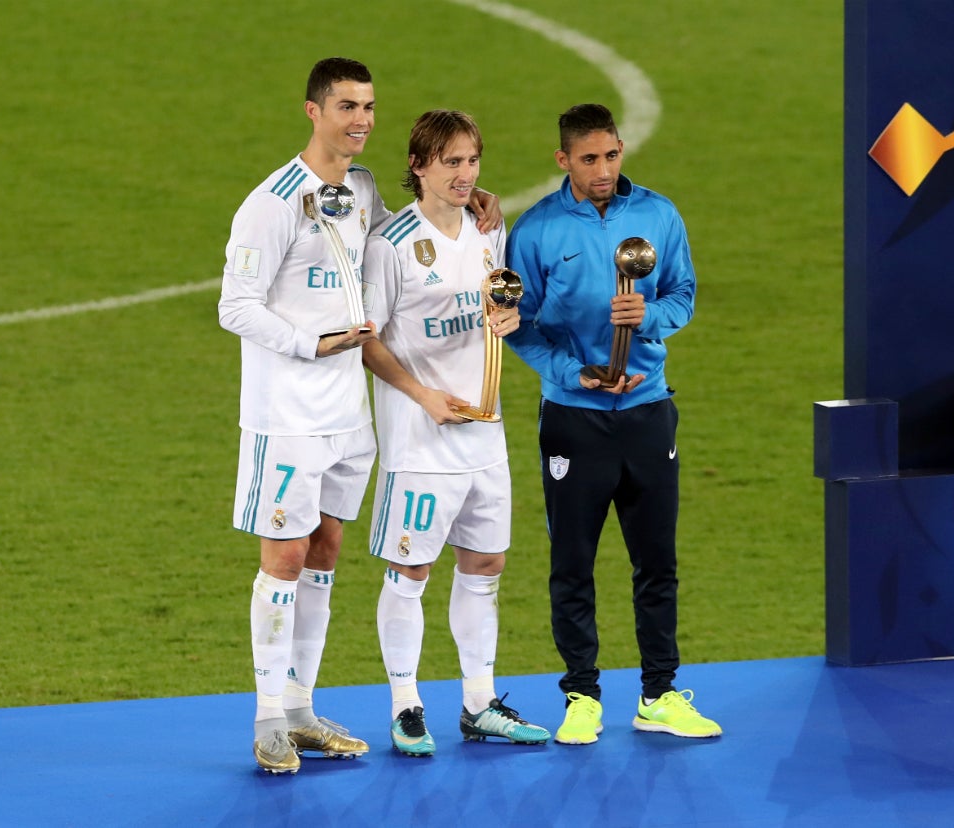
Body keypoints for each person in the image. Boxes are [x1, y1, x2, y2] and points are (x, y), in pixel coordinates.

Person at [217, 58, 503, 775]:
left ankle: (303, 708)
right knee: (282, 557)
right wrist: (311, 343)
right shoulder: (272, 202)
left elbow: (403, 237)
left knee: (323, 554)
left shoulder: (362, 191)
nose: (362, 120)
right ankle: (266, 720)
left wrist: (472, 198)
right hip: (286, 413)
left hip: (349, 416)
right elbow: (235, 305)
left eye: (369, 107)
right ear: (313, 111)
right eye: (347, 107)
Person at [504, 103, 722, 745]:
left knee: (657, 560)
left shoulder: (659, 214)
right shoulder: (537, 231)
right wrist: (575, 374)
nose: (604, 170)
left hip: (649, 410)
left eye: (612, 155)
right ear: (564, 160)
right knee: (573, 562)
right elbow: (520, 324)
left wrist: (649, 316)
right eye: (590, 158)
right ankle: (582, 696)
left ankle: (658, 694)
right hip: (575, 419)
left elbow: (683, 292)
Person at [361, 109, 550, 756]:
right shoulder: (391, 245)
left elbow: (500, 303)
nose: (465, 174)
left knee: (486, 564)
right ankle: (406, 704)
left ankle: (479, 702)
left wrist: (508, 315)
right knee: (410, 568)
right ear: (418, 166)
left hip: (485, 433)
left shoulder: (488, 232)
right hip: (420, 438)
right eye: (451, 162)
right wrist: (422, 395)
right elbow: (367, 342)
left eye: (472, 160)